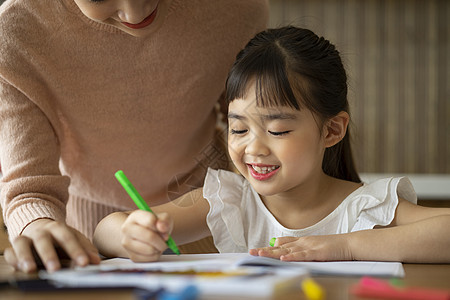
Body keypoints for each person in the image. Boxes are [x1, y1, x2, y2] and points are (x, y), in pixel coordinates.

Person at [93, 26, 450, 263]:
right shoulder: (232, 200)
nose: (254, 148)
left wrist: (346, 246)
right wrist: (128, 233)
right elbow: (106, 231)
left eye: (277, 131)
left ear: (331, 130)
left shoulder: (364, 209)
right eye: (238, 129)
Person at [0, 0, 268, 273]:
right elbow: (29, 188)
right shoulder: (16, 32)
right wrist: (39, 225)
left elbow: (251, 127)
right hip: (88, 237)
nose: (135, 14)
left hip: (206, 217)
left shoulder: (239, 7)